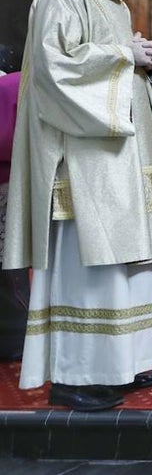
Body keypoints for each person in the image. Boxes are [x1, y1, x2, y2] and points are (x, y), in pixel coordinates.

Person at [2, 0, 152, 411]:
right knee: (90, 271)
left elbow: (99, 60)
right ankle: (77, 375)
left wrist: (139, 59)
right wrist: (126, 56)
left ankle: (125, 363)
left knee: (126, 270)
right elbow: (56, 70)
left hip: (117, 160)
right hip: (83, 166)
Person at [0, 45, 27, 362]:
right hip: (15, 181)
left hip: (6, 180)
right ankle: (16, 335)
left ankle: (13, 334)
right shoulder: (19, 83)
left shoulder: (8, 86)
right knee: (12, 262)